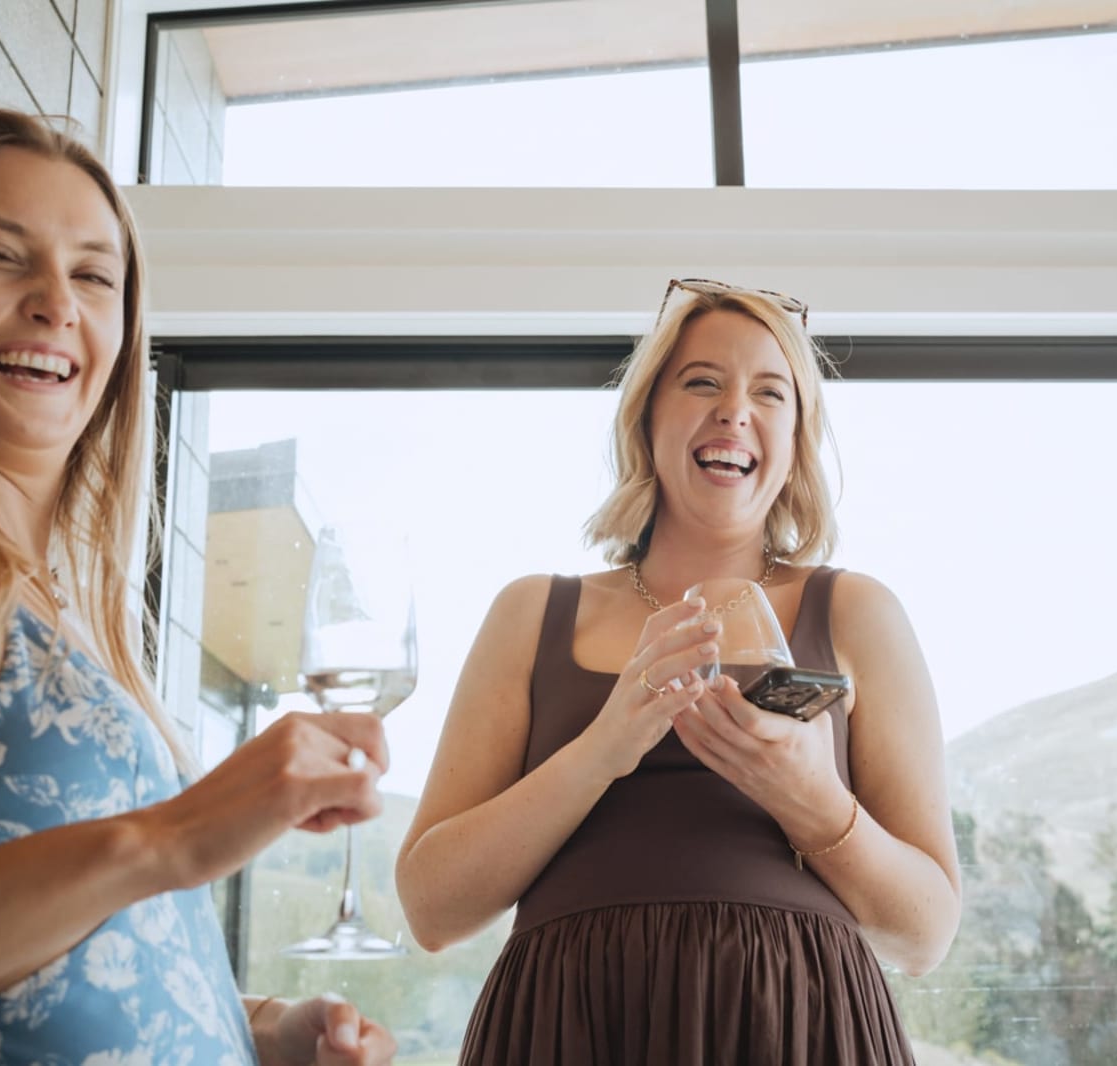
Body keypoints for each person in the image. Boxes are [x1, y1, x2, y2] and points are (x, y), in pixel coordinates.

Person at [0, 111, 395, 1065]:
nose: (55, 302)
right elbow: (134, 861)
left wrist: (264, 1031)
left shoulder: (68, 601)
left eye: (93, 275)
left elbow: (74, 957)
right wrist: (165, 839)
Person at [396, 278, 961, 1064]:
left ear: (796, 439)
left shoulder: (858, 611)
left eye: (770, 393)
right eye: (702, 382)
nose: (735, 411)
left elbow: (925, 936)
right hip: (570, 1024)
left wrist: (814, 801)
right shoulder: (531, 612)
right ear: (646, 417)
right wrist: (602, 750)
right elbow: (432, 909)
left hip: (799, 1026)